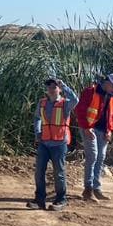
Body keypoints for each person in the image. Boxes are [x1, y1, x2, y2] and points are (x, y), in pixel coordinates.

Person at [28, 78, 78, 211]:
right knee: (39, 171)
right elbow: (37, 117)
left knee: (59, 173)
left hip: (59, 143)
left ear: (59, 89)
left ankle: (61, 200)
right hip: (44, 142)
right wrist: (37, 132)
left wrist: (64, 86)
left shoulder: (65, 104)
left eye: (54, 86)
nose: (51, 88)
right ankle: (39, 200)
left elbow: (75, 100)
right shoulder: (42, 103)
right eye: (49, 86)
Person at [74, 73, 113, 201]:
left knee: (100, 157)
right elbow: (80, 110)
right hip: (89, 128)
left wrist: (110, 130)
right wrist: (85, 127)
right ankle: (88, 189)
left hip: (104, 131)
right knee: (93, 156)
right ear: (108, 83)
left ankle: (96, 188)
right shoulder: (90, 91)